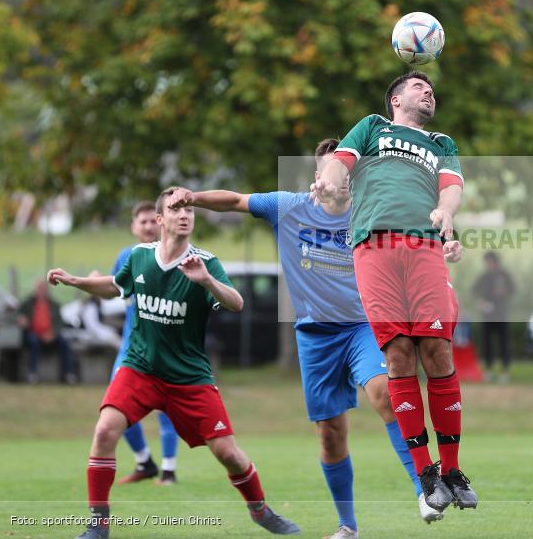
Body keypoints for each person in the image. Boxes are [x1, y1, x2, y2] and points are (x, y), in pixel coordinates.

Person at [166, 136, 459, 538]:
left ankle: (426, 490)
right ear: (318, 176)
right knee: (330, 434)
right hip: (314, 336)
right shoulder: (288, 207)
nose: (340, 176)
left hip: (362, 327)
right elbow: (234, 200)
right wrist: (193, 197)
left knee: (384, 394)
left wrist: (445, 244)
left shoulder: (369, 213)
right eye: (332, 169)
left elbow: (416, 236)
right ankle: (348, 527)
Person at [47, 187, 299, 539]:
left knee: (229, 454)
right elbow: (115, 287)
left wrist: (207, 282)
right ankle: (97, 526)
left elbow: (236, 302)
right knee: (104, 430)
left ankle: (260, 511)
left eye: (189, 210)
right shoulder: (139, 256)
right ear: (161, 219)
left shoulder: (205, 262)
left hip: (188, 377)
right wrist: (77, 282)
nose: (185, 215)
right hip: (140, 368)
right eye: (176, 210)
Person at [312, 71, 477, 514]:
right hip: (373, 248)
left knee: (437, 351)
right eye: (419, 88)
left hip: (423, 247)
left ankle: (453, 470)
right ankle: (426, 475)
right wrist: (328, 181)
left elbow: (453, 185)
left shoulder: (441, 142)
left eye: (432, 90)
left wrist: (445, 209)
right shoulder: (372, 127)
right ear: (396, 99)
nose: (429, 92)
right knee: (400, 353)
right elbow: (339, 161)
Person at [109, 201, 181, 485]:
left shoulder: (175, 255)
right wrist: (90, 282)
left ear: (162, 222)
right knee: (115, 405)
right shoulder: (127, 256)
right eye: (143, 221)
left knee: (166, 408)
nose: (149, 226)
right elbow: (113, 288)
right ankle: (144, 462)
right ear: (134, 227)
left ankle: (169, 470)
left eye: (153, 220)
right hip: (132, 348)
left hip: (166, 346)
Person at [17, 279, 76, 384]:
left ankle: (68, 374)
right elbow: (17, 315)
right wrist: (21, 319)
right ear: (35, 290)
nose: (41, 291)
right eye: (39, 289)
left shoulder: (54, 305)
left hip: (51, 335)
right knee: (33, 342)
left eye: (43, 289)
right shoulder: (27, 303)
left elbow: (59, 322)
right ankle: (33, 374)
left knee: (65, 343)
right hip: (34, 334)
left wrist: (52, 333)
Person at [472, 251, 514, 382]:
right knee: (487, 344)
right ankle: (488, 371)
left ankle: (505, 371)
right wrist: (481, 301)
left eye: (490, 261)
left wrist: (504, 292)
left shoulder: (504, 275)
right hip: (487, 316)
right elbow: (474, 290)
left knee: (504, 344)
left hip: (501, 315)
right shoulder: (484, 276)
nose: (488, 264)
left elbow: (513, 289)